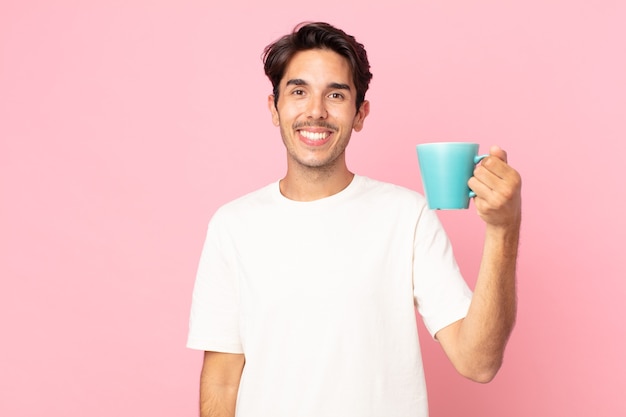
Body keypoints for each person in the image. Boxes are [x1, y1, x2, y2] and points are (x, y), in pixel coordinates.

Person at [187, 21, 522, 417]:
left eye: (336, 94)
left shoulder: (406, 216)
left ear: (360, 113)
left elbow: (478, 362)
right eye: (298, 92)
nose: (315, 111)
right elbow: (222, 380)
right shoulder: (232, 226)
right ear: (274, 108)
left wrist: (503, 229)